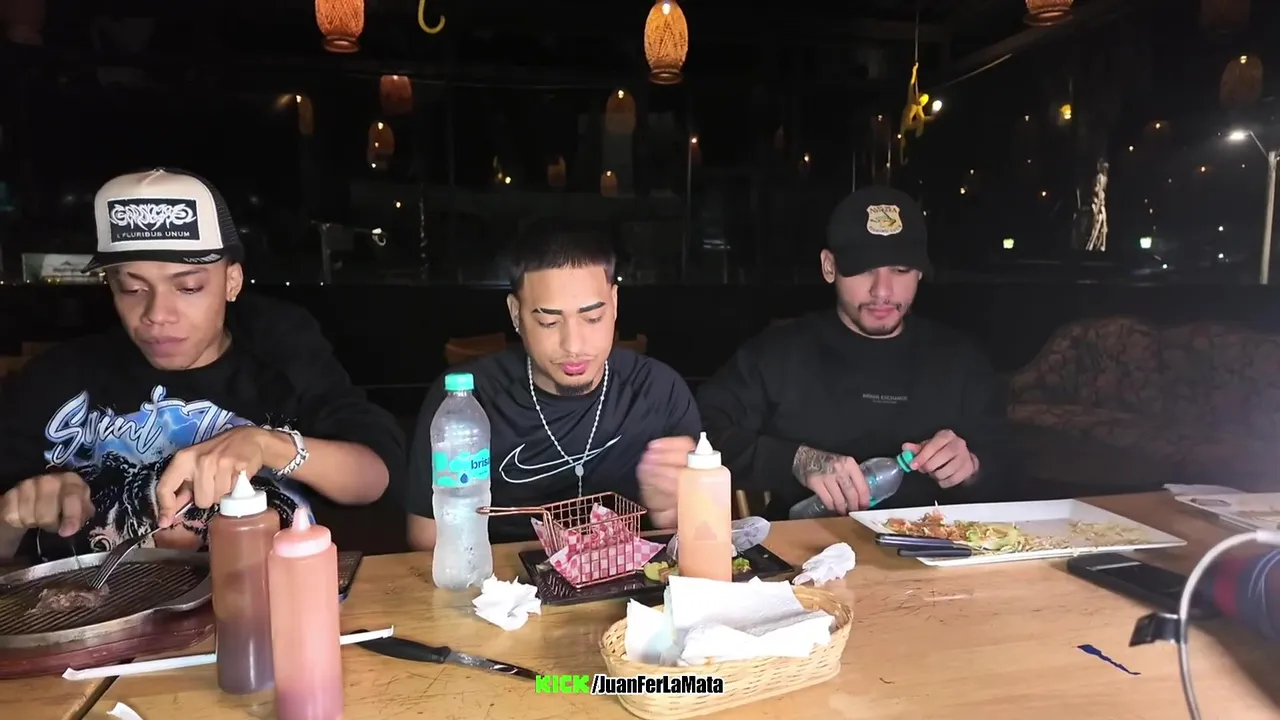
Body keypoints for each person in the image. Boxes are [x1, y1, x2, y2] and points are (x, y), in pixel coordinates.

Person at [0, 168, 403, 561]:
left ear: (232, 281)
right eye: (132, 288)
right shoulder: (56, 378)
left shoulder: (282, 354)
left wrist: (268, 444)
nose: (157, 314)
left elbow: (374, 476)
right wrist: (16, 514)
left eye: (189, 287)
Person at [697, 186, 1010, 520]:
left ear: (920, 271)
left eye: (901, 269)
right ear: (829, 266)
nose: (882, 290)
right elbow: (700, 433)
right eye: (864, 269)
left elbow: (1011, 468)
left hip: (938, 545)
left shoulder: (960, 360)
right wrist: (796, 460)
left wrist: (973, 467)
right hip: (804, 545)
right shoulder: (778, 354)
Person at [405, 220, 701, 549]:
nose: (573, 345)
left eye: (592, 318)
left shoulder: (659, 391)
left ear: (615, 303)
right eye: (548, 321)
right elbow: (427, 535)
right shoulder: (467, 403)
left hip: (628, 576)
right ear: (516, 314)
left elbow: (700, 534)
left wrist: (668, 512)